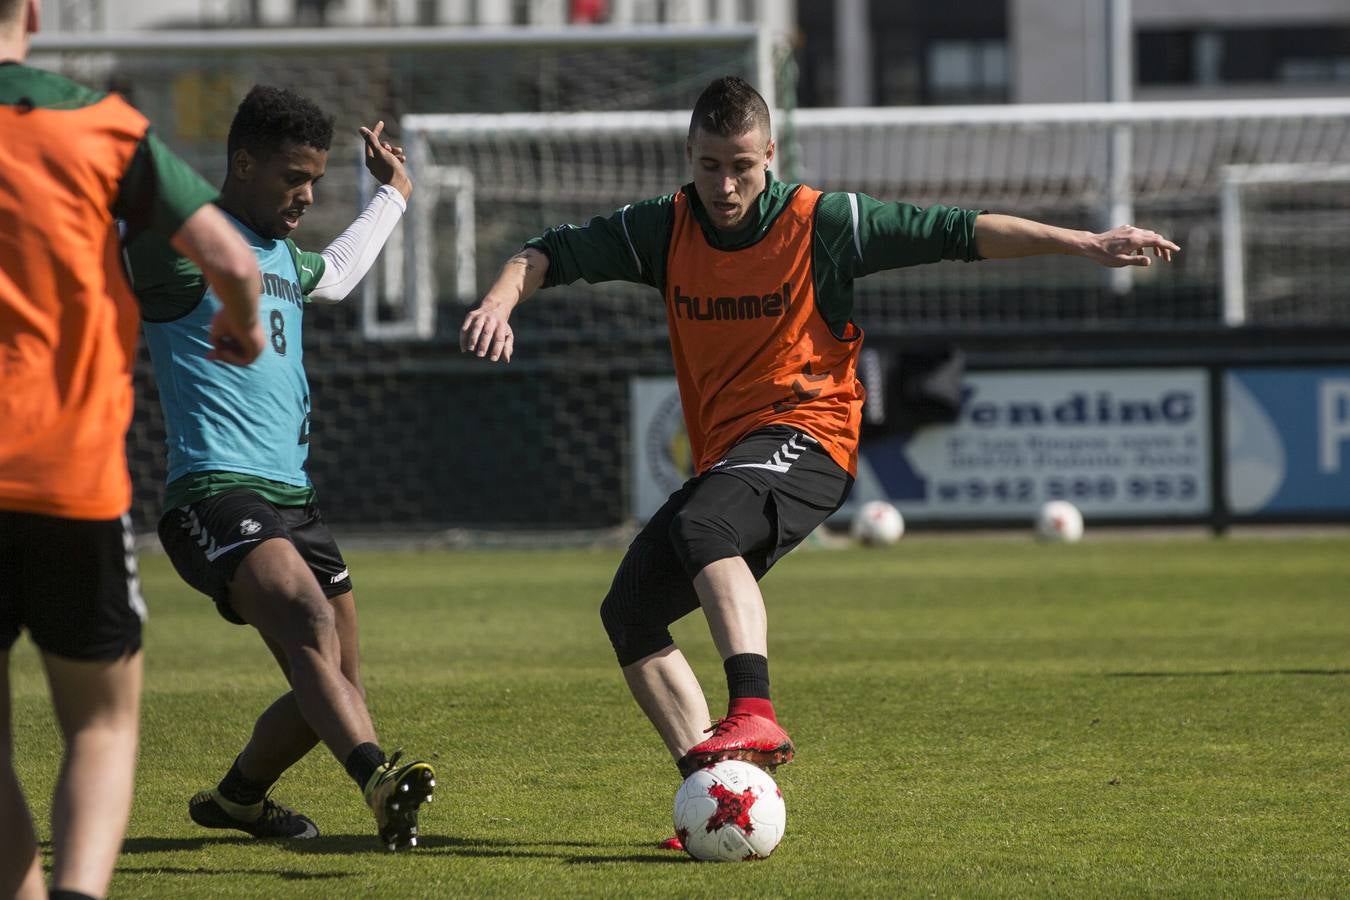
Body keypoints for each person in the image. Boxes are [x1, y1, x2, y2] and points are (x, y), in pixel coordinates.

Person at [461, 76, 1178, 847]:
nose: (726, 185)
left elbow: (960, 231)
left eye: (742, 165)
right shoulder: (662, 229)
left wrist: (1086, 243)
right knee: (630, 612)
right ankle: (715, 793)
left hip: (813, 434)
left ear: (770, 153)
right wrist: (502, 300)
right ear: (689, 157)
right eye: (709, 166)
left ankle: (755, 710)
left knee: (706, 524)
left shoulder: (822, 221)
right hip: (730, 455)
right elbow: (547, 253)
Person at [125, 85, 434, 852]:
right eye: (292, 178)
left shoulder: (284, 258)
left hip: (295, 502)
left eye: (316, 182)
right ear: (241, 163)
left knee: (334, 684)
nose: (305, 195)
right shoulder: (183, 249)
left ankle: (238, 800)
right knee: (308, 618)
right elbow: (122, 220)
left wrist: (393, 192)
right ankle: (378, 779)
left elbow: (337, 271)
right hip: (213, 493)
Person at [0, 1, 264, 896]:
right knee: (101, 727)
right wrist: (245, 322)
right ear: (33, 14)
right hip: (67, 477)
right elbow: (227, 254)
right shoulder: (101, 126)